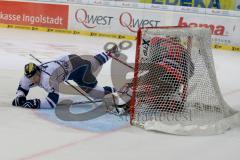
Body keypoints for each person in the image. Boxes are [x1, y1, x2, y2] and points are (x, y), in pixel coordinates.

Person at [12, 45, 122, 109]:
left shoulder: (48, 79)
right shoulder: (28, 76)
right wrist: (20, 96)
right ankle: (110, 53)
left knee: (95, 94)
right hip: (69, 59)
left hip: (78, 70)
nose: (32, 79)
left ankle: (120, 91)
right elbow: (22, 88)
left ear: (39, 72)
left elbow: (52, 102)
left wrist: (35, 103)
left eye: (34, 76)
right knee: (92, 63)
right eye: (30, 77)